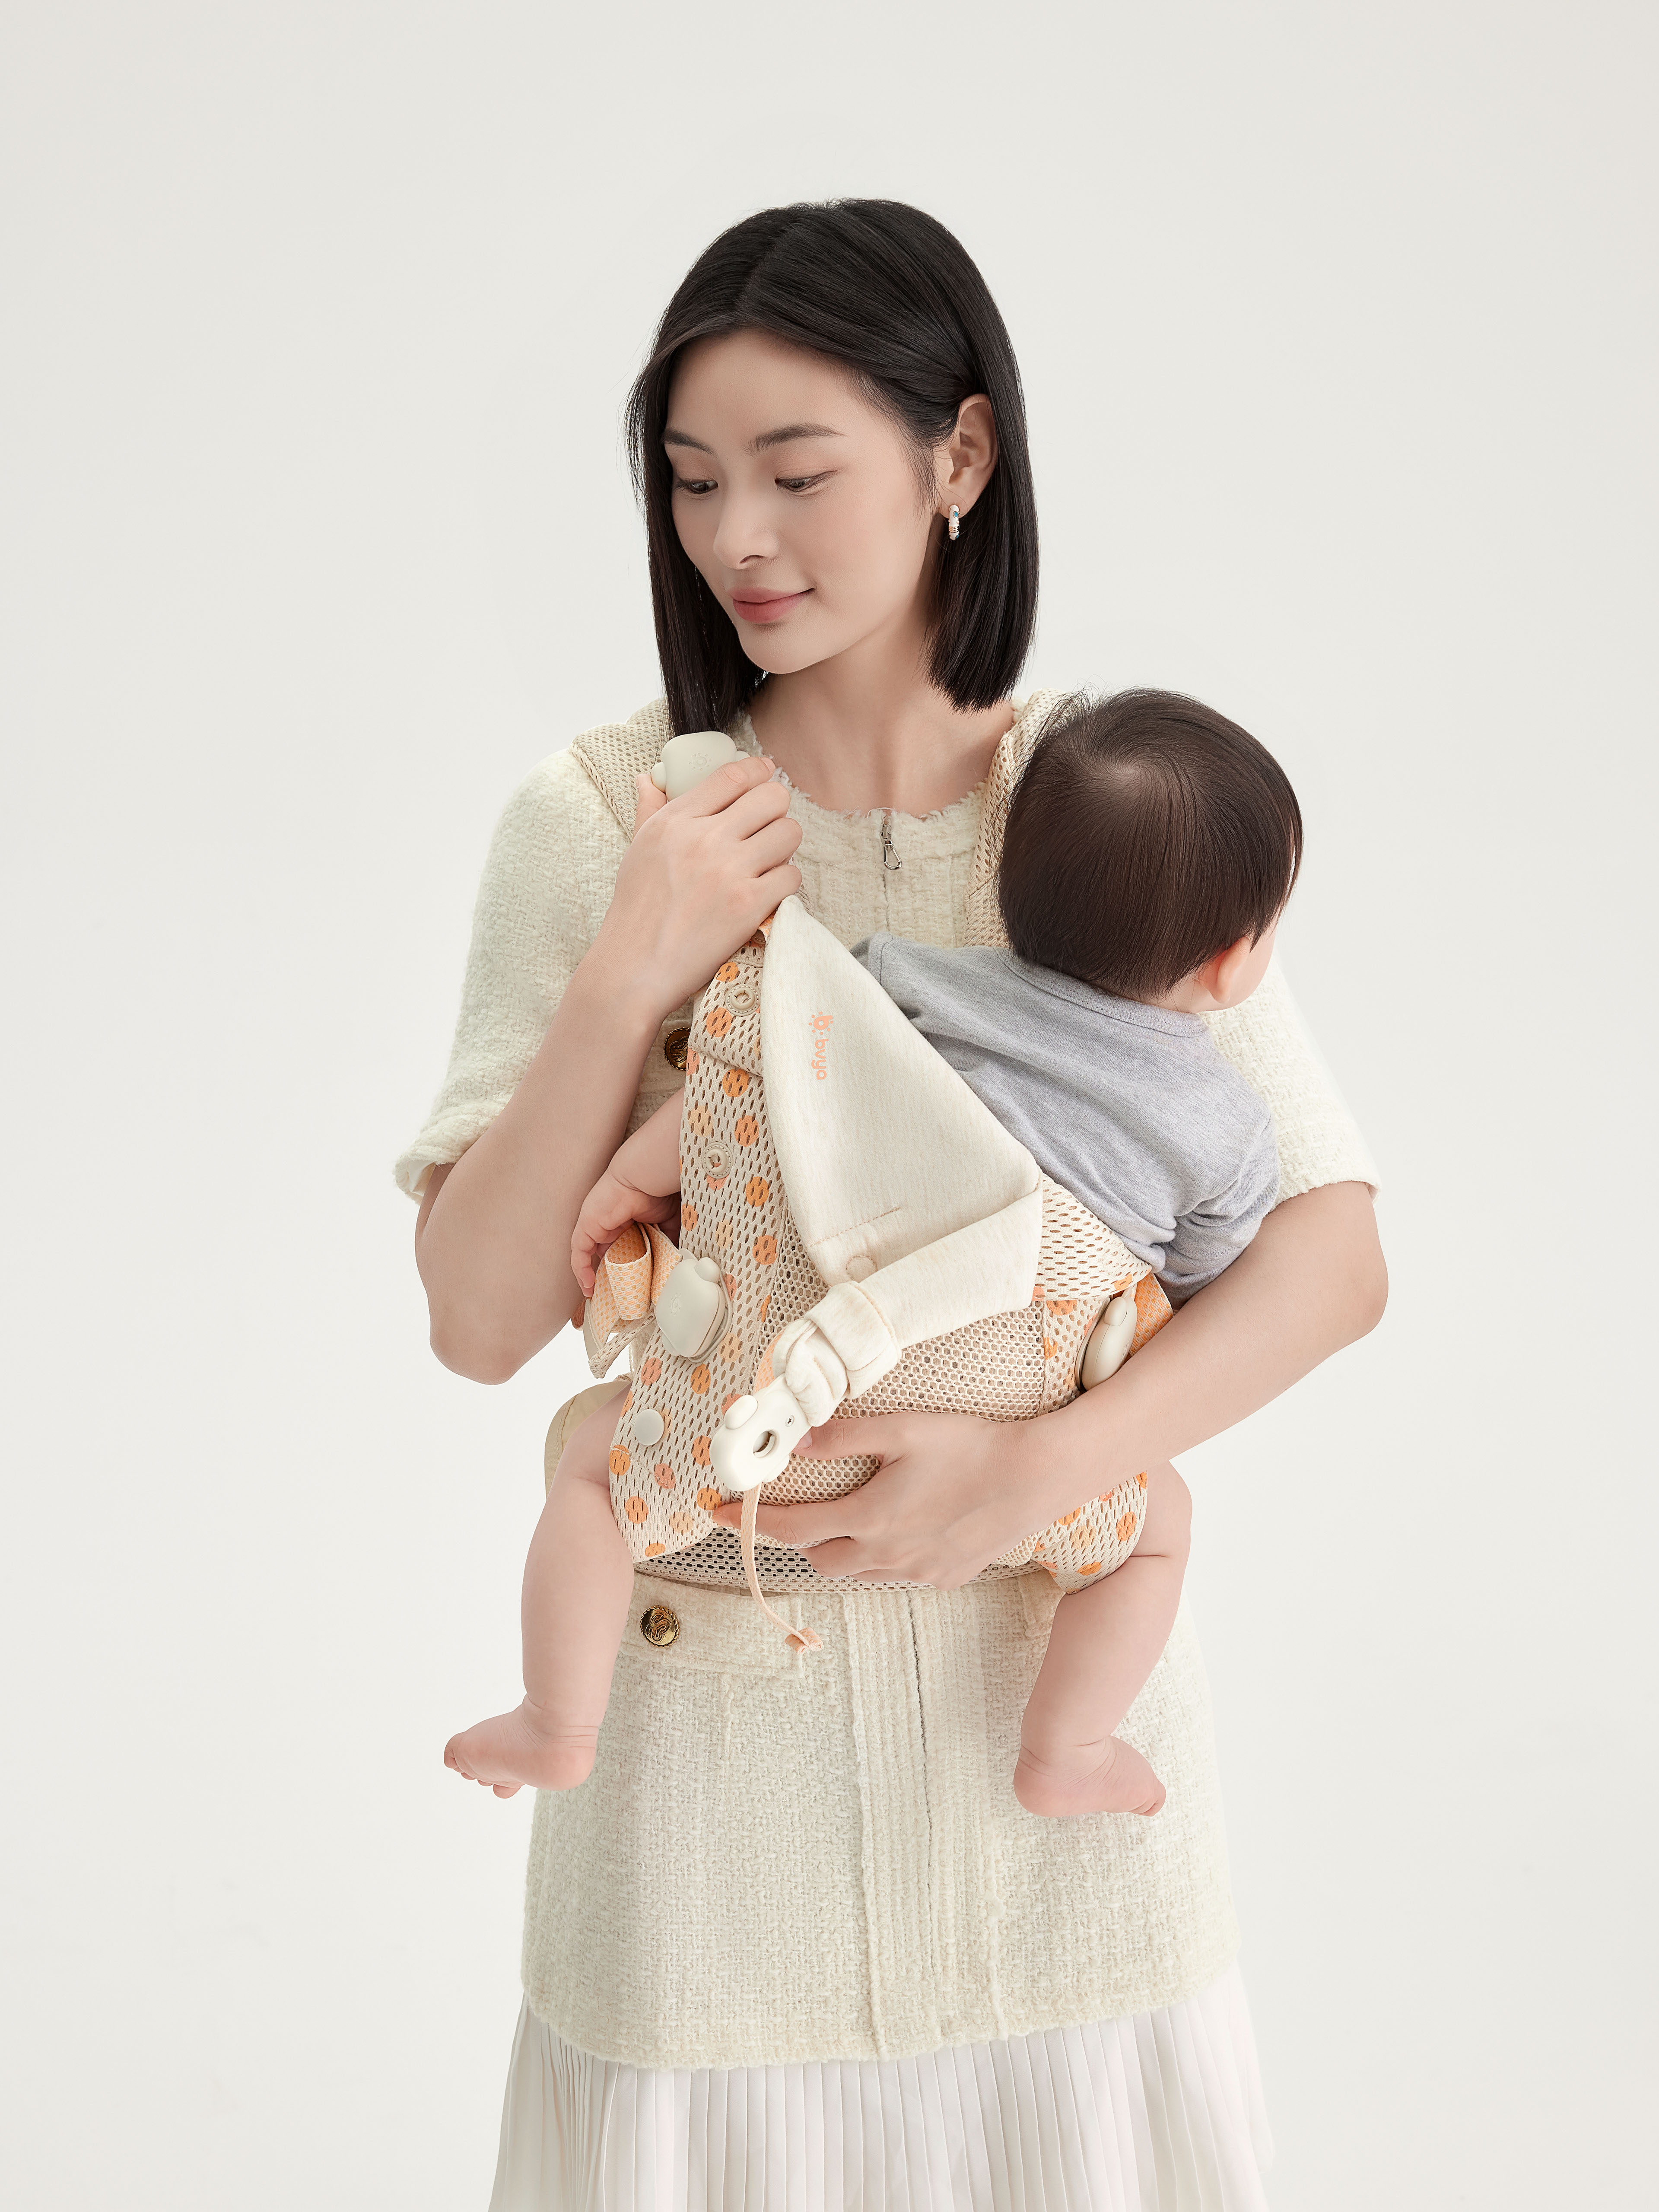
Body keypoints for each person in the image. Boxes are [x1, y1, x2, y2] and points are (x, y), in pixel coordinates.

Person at [400, 199, 1384, 2208]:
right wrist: (634, 960)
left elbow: (1329, 1250)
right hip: (705, 1855)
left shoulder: (1109, 801)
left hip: (1061, 1859)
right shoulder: (595, 819)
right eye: (692, 480)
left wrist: (1044, 1471)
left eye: (796, 470)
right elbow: (480, 1317)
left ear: (961, 457)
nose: (737, 536)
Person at [442, 688, 1298, 1829]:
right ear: (1234, 962)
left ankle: (557, 1721)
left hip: (771, 1411)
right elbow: (1193, 1296)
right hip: (1012, 1442)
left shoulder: (904, 977)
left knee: (594, 1470)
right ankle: (1070, 1746)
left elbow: (755, 1081)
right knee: (1158, 1533)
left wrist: (634, 1180)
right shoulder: (1230, 1133)